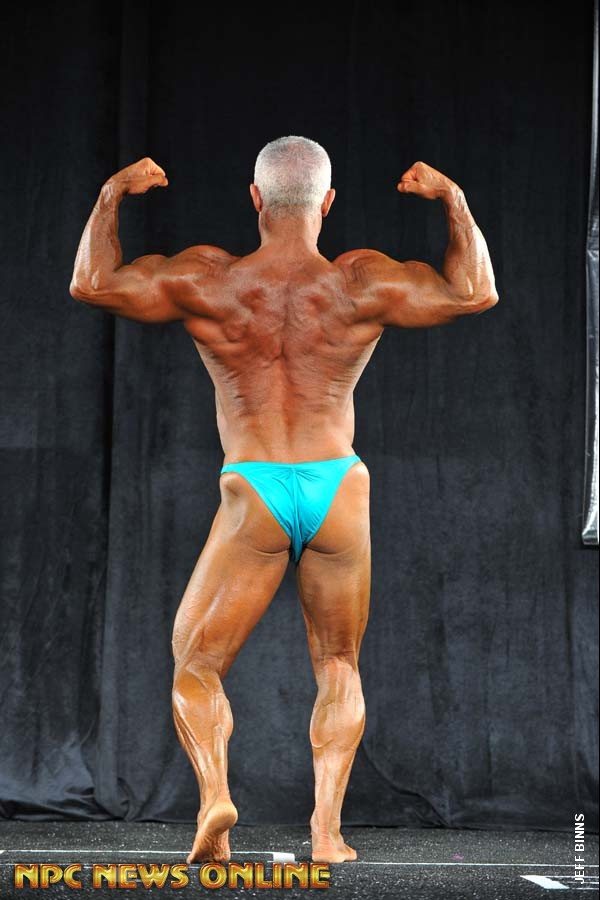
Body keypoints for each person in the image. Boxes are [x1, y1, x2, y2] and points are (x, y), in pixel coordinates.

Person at [70, 136, 499, 864]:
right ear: (327, 203)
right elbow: (474, 292)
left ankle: (215, 799)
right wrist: (453, 199)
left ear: (256, 199)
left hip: (256, 488)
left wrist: (112, 193)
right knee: (338, 663)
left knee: (196, 664)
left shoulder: (212, 280)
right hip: (338, 487)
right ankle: (326, 834)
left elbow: (93, 283)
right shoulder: (359, 282)